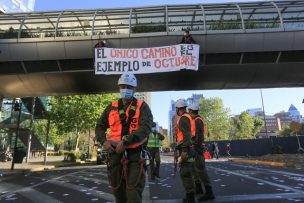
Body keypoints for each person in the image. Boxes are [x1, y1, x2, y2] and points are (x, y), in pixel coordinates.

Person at [95, 73, 153, 203]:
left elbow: (145, 128)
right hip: (115, 154)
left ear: (134, 89)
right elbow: (99, 127)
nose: (125, 89)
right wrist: (103, 141)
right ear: (119, 88)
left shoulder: (142, 107)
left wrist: (126, 143)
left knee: (132, 193)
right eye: (122, 86)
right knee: (119, 194)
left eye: (129, 87)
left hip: (135, 155)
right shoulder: (111, 106)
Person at [188, 103, 215, 201]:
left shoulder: (198, 120)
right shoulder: (194, 120)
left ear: (191, 111)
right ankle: (199, 188)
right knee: (194, 169)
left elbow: (199, 136)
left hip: (197, 149)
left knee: (201, 170)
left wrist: (195, 147)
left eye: (189, 111)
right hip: (194, 148)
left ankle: (209, 192)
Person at [175, 99, 196, 203]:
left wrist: (184, 150)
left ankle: (190, 198)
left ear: (178, 108)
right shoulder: (189, 117)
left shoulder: (183, 118)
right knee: (189, 172)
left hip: (186, 149)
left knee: (185, 173)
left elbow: (186, 134)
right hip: (190, 148)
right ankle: (191, 196)